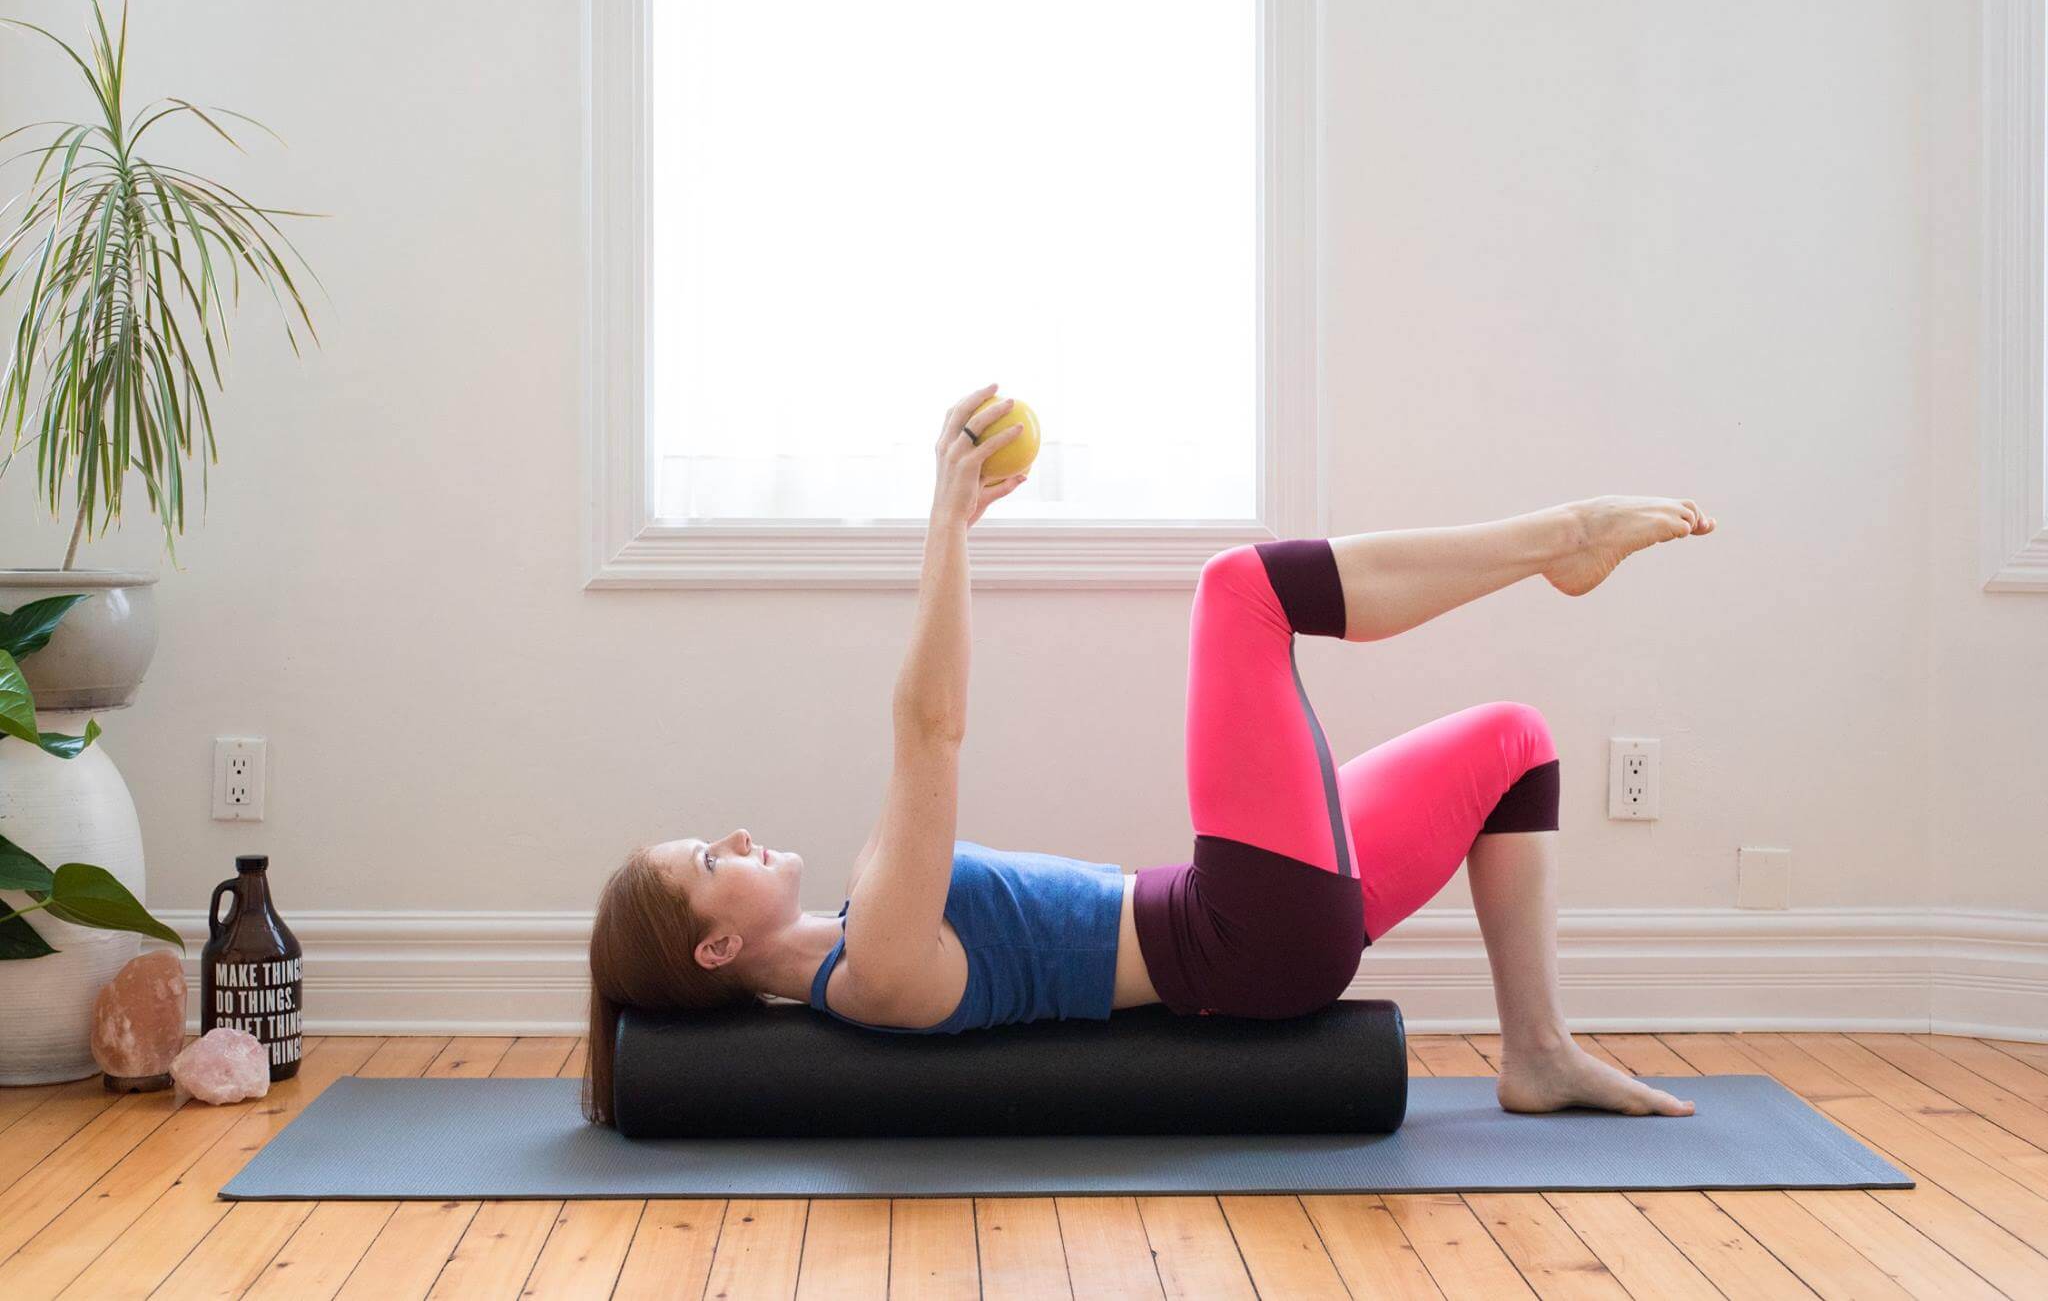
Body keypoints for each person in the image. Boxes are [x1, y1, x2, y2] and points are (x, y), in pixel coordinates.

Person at [582, 385, 1718, 1126]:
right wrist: (945, 521)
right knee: (1240, 591)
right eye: (705, 856)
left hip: (1243, 921)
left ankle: (1539, 1049)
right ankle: (1558, 538)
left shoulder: (857, 917)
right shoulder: (872, 958)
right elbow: (929, 726)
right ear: (718, 939)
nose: (731, 833)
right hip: (1243, 930)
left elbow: (922, 734)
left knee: (1514, 745)